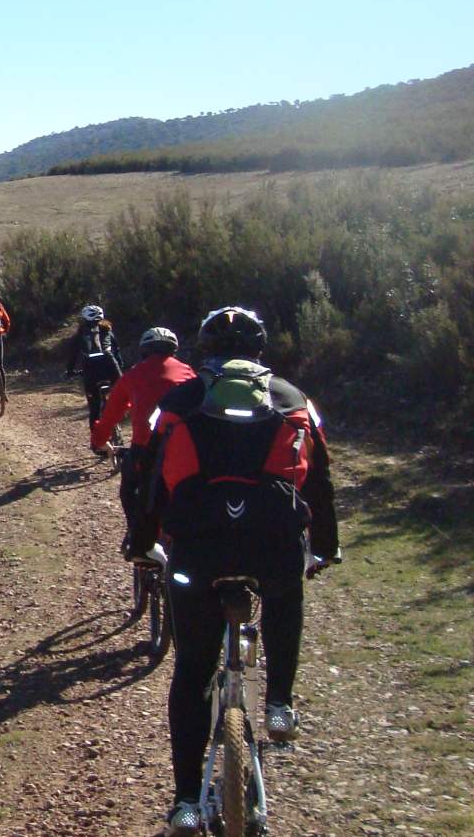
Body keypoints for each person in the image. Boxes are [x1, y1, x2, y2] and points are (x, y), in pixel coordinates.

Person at [147, 306, 341, 837]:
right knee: (285, 593)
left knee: (192, 670)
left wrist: (144, 541)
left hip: (197, 554)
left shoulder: (179, 401)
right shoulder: (294, 399)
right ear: (260, 349)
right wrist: (325, 547)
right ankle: (278, 703)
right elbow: (320, 481)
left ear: (205, 349)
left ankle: (186, 802)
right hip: (270, 547)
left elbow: (145, 477)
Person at [88, 326, 196, 559]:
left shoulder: (134, 375)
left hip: (144, 451)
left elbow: (111, 414)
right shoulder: (188, 373)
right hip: (184, 453)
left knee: (130, 490)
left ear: (144, 351)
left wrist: (99, 441)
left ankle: (139, 539)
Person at [65, 304, 124, 427]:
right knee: (119, 394)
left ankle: (96, 442)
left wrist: (70, 371)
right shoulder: (108, 331)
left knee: (94, 408)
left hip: (91, 371)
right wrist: (120, 366)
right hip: (110, 368)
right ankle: (120, 417)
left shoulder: (81, 334)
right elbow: (116, 351)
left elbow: (73, 355)